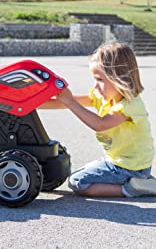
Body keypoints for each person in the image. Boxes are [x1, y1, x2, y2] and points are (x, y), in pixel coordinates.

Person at [40, 42, 156, 197]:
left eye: (100, 80)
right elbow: (65, 103)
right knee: (81, 173)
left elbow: (99, 124)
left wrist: (70, 101)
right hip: (124, 163)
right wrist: (31, 104)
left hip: (130, 167)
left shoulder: (129, 106)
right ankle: (143, 182)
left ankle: (133, 188)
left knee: (78, 182)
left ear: (119, 77)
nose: (96, 87)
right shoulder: (105, 97)